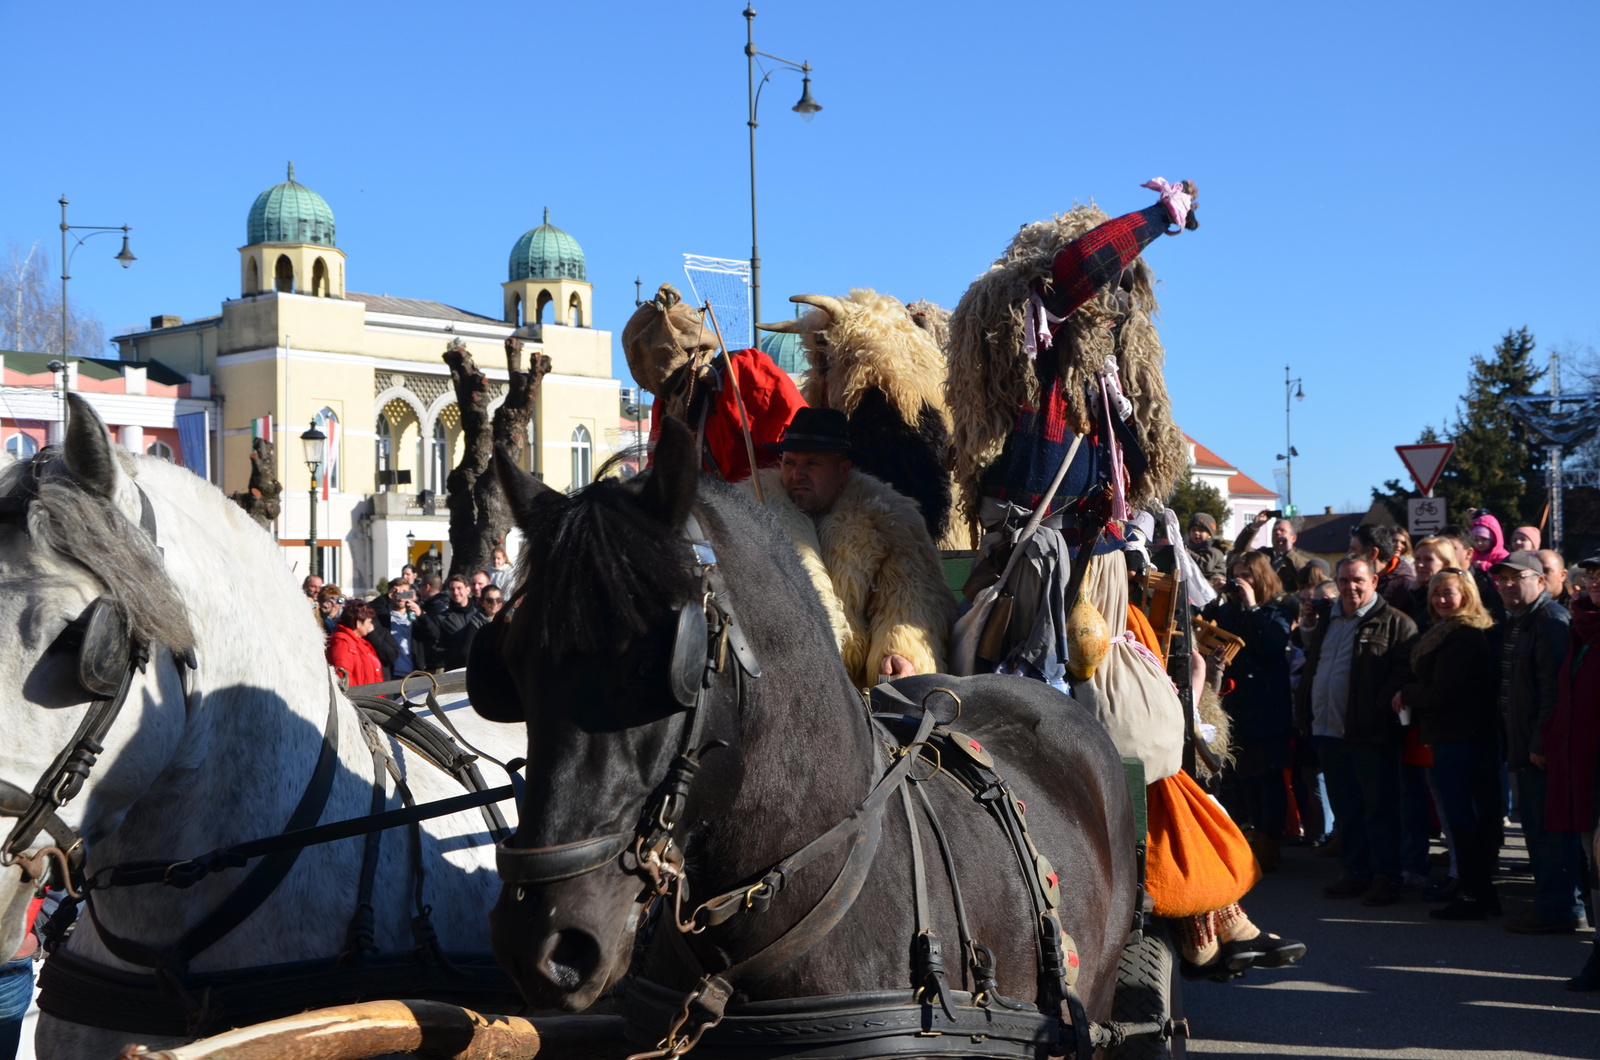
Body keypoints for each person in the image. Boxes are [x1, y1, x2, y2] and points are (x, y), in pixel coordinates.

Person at [749, 408, 954, 688]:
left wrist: (899, 654)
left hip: (855, 690)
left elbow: (909, 601)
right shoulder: (753, 513)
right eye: (789, 463)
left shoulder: (888, 520)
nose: (797, 474)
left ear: (842, 470)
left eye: (812, 464)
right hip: (775, 678)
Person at [1297, 555, 1418, 906]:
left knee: (1378, 809)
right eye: (1345, 580)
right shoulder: (1328, 620)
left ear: (1375, 582)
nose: (1351, 587)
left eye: (1358, 580)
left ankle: (1385, 878)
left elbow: (1403, 674)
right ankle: (1354, 873)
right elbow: (1316, 666)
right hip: (1328, 731)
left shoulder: (1397, 623)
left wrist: (1377, 708)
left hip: (1370, 734)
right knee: (1347, 808)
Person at [1395, 568, 1501, 919]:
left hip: (1461, 739)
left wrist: (1407, 693)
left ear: (1467, 595)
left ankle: (1475, 894)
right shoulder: (1444, 630)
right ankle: (1470, 888)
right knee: (1457, 818)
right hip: (1449, 737)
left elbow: (1443, 692)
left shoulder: (1466, 634)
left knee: (1463, 818)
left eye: (1449, 593)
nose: (1441, 599)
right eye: (1436, 593)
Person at [627, 283, 805, 484]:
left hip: (767, 508)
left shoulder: (742, 373)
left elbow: (801, 441)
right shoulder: (665, 404)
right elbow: (657, 475)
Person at [1492, 549, 1580, 934]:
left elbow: (1554, 692)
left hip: (1539, 749)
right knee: (1536, 829)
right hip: (1522, 744)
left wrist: (1540, 742)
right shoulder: (1520, 621)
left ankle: (1558, 909)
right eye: (1503, 579)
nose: (1508, 585)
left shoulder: (1550, 620)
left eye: (1517, 578)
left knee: (1549, 832)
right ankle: (1552, 905)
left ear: (1541, 581)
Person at [1205, 552, 1294, 870]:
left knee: (1267, 780)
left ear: (1262, 576)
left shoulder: (1279, 608)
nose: (1242, 581)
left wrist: (1253, 604)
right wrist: (1215, 599)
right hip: (1236, 708)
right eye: (1237, 575)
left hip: (1267, 709)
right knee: (1238, 782)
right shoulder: (1228, 610)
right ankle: (1243, 845)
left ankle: (1270, 844)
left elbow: (1272, 645)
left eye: (1249, 575)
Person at [1549, 559, 1600, 988]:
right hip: (1582, 765)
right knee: (1593, 862)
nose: (1596, 582)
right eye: (1595, 575)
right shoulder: (1580, 627)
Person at [415, 574, 484, 672]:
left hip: (478, 668)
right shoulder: (441, 619)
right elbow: (433, 649)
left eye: (459, 588)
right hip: (454, 670)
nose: (455, 592)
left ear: (467, 590)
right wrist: (456, 653)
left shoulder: (479, 614)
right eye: (452, 589)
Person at [1231, 512, 1314, 590]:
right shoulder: (1263, 555)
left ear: (1293, 538)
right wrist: (1254, 527)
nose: (1277, 533)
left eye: (1282, 531)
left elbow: (1306, 578)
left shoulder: (1301, 560)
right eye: (1274, 531)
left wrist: (1288, 553)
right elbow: (1240, 549)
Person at [1350, 523, 1416, 610]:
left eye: (1354, 549)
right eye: (1394, 541)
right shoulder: (1352, 580)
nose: (1349, 554)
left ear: (1373, 553)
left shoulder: (1405, 586)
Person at [1406, 536, 1462, 629]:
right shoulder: (1413, 595)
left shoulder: (1452, 601)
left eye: (1428, 559)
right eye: (1417, 558)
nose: (1420, 564)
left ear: (1446, 564)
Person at [326, 600, 384, 686]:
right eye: (368, 622)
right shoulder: (342, 643)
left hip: (369, 697)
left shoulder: (359, 642)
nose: (370, 626)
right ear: (358, 623)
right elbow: (343, 678)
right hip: (357, 698)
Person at [372, 580, 421, 678]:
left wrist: (421, 617)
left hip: (414, 674)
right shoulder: (382, 614)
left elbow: (433, 633)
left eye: (405, 592)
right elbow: (368, 608)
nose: (401, 596)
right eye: (397, 593)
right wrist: (387, 596)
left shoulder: (415, 612)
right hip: (391, 674)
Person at [1188, 513, 1231, 588]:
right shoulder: (1192, 548)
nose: (1196, 533)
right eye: (1193, 530)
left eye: (1201, 530)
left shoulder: (1214, 550)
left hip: (1215, 586)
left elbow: (1206, 567)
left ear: (1209, 534)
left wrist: (1189, 553)